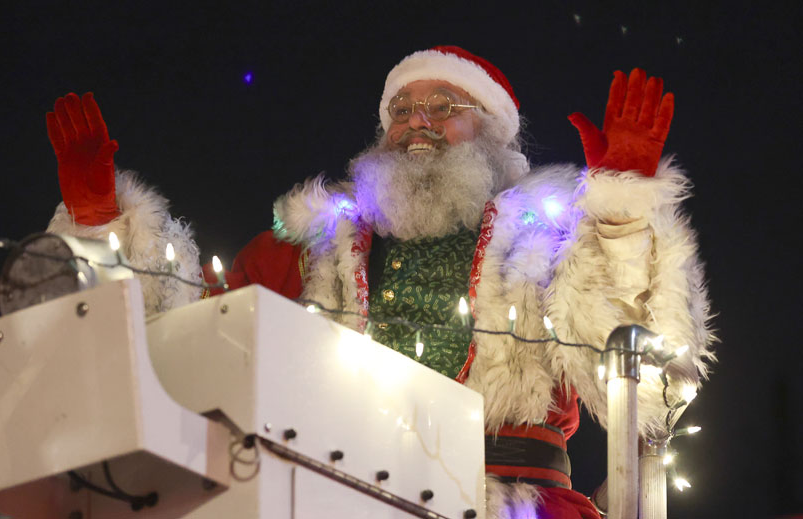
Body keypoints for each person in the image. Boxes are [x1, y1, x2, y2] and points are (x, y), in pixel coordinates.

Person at [45, 46, 714, 519]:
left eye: (444, 105)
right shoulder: (312, 251)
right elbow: (184, 341)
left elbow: (649, 384)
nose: (417, 121)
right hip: (344, 499)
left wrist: (623, 214)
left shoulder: (550, 241)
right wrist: (101, 226)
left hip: (515, 504)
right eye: (401, 108)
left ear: (492, 134)